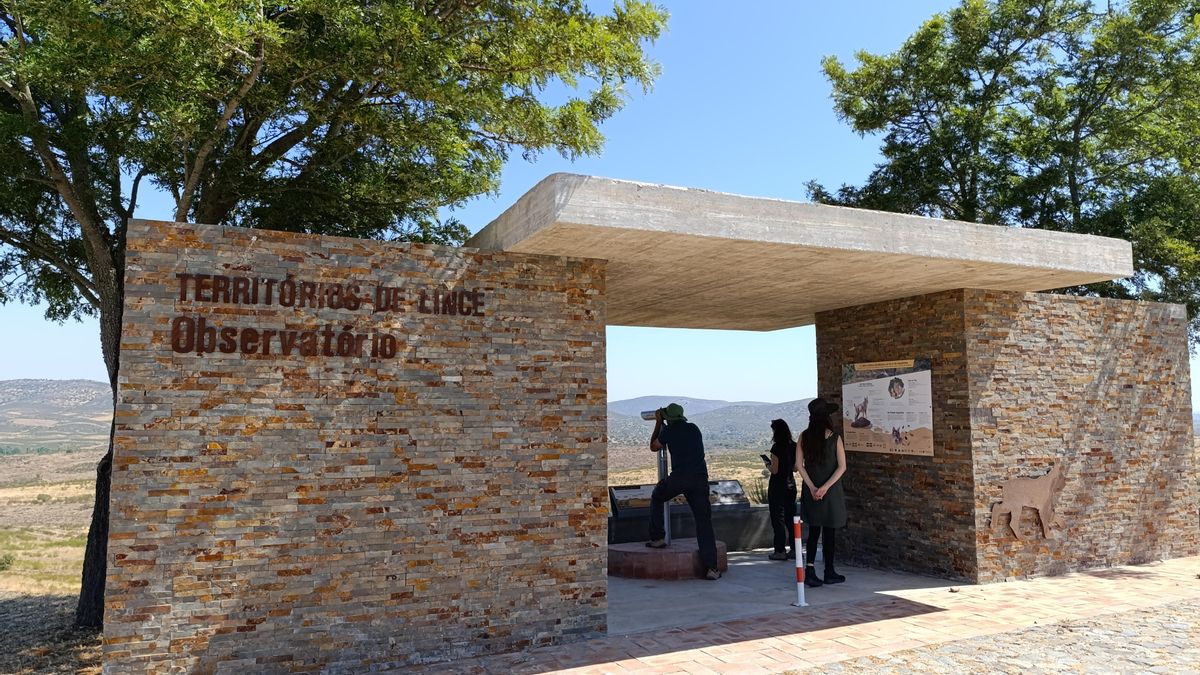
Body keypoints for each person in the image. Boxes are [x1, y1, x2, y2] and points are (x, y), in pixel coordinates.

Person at [646, 403, 721, 580]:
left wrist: (658, 422)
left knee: (657, 496)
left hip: (680, 477)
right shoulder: (694, 429)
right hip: (700, 478)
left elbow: (654, 446)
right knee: (703, 522)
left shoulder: (669, 431)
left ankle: (658, 538)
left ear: (668, 418)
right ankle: (711, 568)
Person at [796, 397, 848, 587]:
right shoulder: (834, 438)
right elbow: (842, 467)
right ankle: (829, 571)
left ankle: (810, 570)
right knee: (829, 531)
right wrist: (825, 487)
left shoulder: (804, 437)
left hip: (811, 491)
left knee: (814, 530)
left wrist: (812, 487)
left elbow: (799, 465)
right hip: (830, 491)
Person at [766, 419, 798, 561]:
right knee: (791, 518)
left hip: (777, 487)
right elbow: (796, 468)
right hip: (791, 486)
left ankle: (780, 550)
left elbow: (775, 470)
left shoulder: (776, 447)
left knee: (777, 519)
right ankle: (795, 549)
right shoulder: (794, 446)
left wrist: (767, 464)